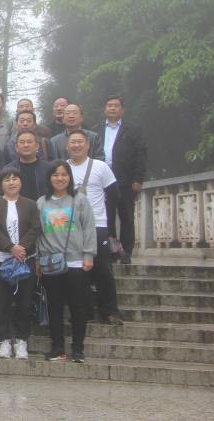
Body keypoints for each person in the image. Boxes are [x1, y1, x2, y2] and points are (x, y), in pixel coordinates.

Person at [37, 161, 96, 363]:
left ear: (69, 177)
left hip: (76, 262)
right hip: (51, 263)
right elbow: (38, 234)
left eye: (63, 174)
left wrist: (89, 255)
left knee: (78, 307)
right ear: (49, 178)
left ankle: (78, 348)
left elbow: (89, 228)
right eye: (55, 175)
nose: (59, 178)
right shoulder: (41, 203)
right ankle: (58, 348)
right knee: (54, 307)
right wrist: (38, 259)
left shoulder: (79, 200)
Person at [66, 129, 123, 325]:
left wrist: (107, 220)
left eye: (80, 142)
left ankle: (110, 311)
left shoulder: (100, 167)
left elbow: (114, 194)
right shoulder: (62, 168)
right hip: (71, 227)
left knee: (103, 269)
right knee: (77, 271)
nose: (76, 145)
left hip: (97, 224)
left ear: (88, 144)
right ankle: (84, 310)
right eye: (72, 142)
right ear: (67, 146)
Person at [0, 167, 42, 360]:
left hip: (24, 260)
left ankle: (21, 340)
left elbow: (35, 228)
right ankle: (3, 340)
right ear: (1, 184)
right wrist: (10, 247)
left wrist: (21, 248)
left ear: (21, 182)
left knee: (24, 302)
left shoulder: (31, 204)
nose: (11, 183)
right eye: (7, 179)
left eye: (15, 179)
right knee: (2, 302)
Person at [93, 96, 147, 264]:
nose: (112, 108)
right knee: (106, 217)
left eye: (116, 106)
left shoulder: (132, 129)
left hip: (125, 180)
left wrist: (138, 179)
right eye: (109, 105)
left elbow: (141, 154)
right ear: (104, 109)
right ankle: (111, 250)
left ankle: (126, 251)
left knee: (127, 216)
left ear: (122, 110)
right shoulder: (96, 130)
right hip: (102, 181)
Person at [5, 130, 53, 201]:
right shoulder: (8, 169)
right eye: (22, 142)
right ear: (16, 147)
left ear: (37, 146)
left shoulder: (49, 168)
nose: (26, 145)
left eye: (29, 142)